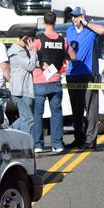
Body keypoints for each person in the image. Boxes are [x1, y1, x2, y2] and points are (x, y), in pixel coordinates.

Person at [33, 12, 76, 154]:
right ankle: (57, 144)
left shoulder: (38, 40)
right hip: (56, 81)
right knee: (56, 114)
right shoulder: (62, 40)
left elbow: (32, 57)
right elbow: (73, 57)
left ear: (44, 23)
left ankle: (38, 145)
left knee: (38, 114)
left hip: (39, 81)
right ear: (55, 22)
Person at [65, 7, 104, 149]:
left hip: (88, 74)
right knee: (76, 109)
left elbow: (103, 30)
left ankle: (90, 140)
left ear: (82, 16)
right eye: (72, 17)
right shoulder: (70, 31)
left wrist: (86, 23)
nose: (74, 19)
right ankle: (79, 138)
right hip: (72, 74)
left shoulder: (91, 30)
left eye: (76, 16)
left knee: (91, 108)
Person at [7, 31, 38, 135]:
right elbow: (30, 66)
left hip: (21, 88)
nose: (32, 42)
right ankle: (26, 145)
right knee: (28, 119)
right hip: (22, 89)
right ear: (24, 38)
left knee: (26, 117)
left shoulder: (21, 50)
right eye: (30, 39)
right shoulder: (18, 52)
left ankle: (9, 133)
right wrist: (33, 51)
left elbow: (33, 63)